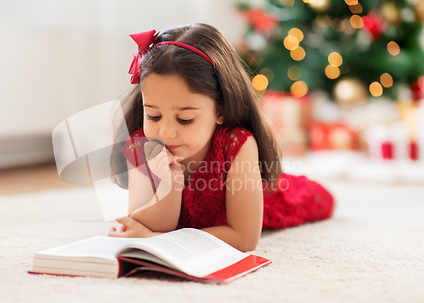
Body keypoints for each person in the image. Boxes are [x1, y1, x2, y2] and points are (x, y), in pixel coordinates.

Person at [108, 23, 335, 252]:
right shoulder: (141, 144)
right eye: (154, 116)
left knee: (323, 200)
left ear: (220, 110)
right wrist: (170, 185)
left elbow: (244, 238)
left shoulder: (237, 144)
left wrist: (160, 240)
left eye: (185, 119)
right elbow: (144, 225)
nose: (165, 132)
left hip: (276, 197)